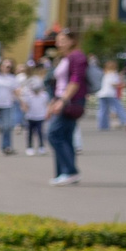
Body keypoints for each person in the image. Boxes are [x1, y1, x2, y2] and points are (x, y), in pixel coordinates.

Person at [49, 29, 89, 185]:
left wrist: (63, 100)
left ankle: (70, 171)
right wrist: (53, 102)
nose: (59, 43)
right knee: (65, 136)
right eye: (58, 40)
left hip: (70, 101)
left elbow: (75, 80)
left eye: (63, 40)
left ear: (72, 41)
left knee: (54, 134)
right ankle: (63, 173)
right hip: (62, 99)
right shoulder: (66, 57)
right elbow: (59, 83)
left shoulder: (77, 56)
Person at [20, 68, 49, 154]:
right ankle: (29, 147)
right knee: (30, 133)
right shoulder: (29, 95)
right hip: (30, 116)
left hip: (40, 116)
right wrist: (24, 109)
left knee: (40, 132)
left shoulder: (44, 95)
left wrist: (47, 113)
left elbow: (47, 104)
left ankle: (41, 146)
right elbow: (25, 105)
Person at [93, 60, 124, 130]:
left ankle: (102, 125)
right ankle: (125, 121)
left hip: (101, 93)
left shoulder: (104, 74)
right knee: (119, 108)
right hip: (110, 94)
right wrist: (121, 84)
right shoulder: (114, 74)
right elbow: (113, 84)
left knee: (102, 110)